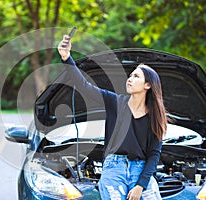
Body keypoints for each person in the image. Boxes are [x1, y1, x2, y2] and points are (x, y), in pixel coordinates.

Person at [58, 34, 167, 200]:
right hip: (113, 167)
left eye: (136, 76)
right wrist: (67, 58)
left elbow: (154, 155)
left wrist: (140, 186)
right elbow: (84, 86)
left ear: (148, 85)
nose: (130, 79)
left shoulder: (156, 117)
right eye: (130, 75)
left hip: (140, 168)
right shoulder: (115, 102)